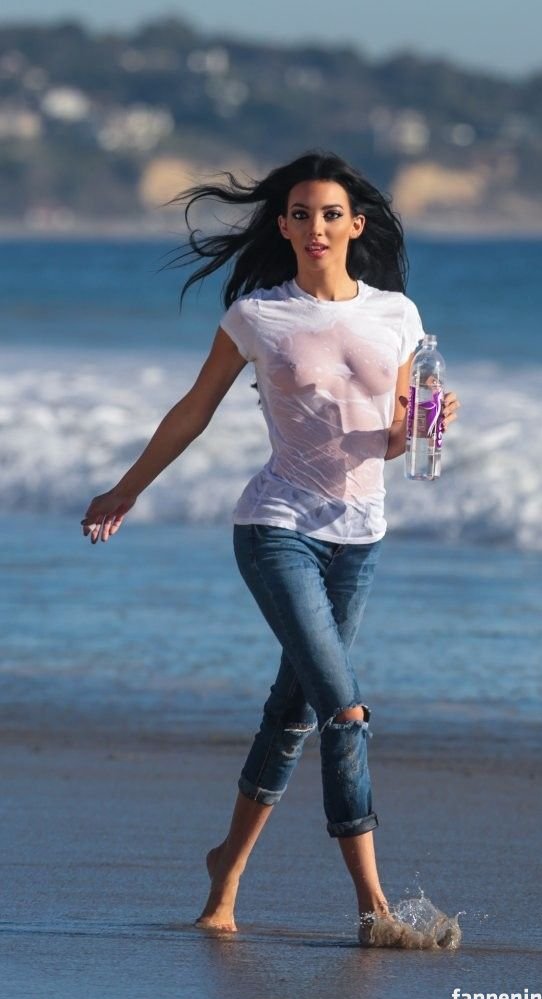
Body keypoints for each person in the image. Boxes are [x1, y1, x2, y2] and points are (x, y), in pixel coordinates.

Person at [80, 150, 461, 947]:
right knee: (343, 712)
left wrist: (424, 427)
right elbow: (194, 409)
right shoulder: (258, 315)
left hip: (361, 538)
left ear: (356, 225)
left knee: (292, 715)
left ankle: (225, 872)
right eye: (300, 214)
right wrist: (127, 487)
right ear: (282, 226)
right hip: (275, 528)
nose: (316, 226)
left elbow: (391, 438)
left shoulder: (398, 316)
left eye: (330, 214)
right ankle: (374, 908)